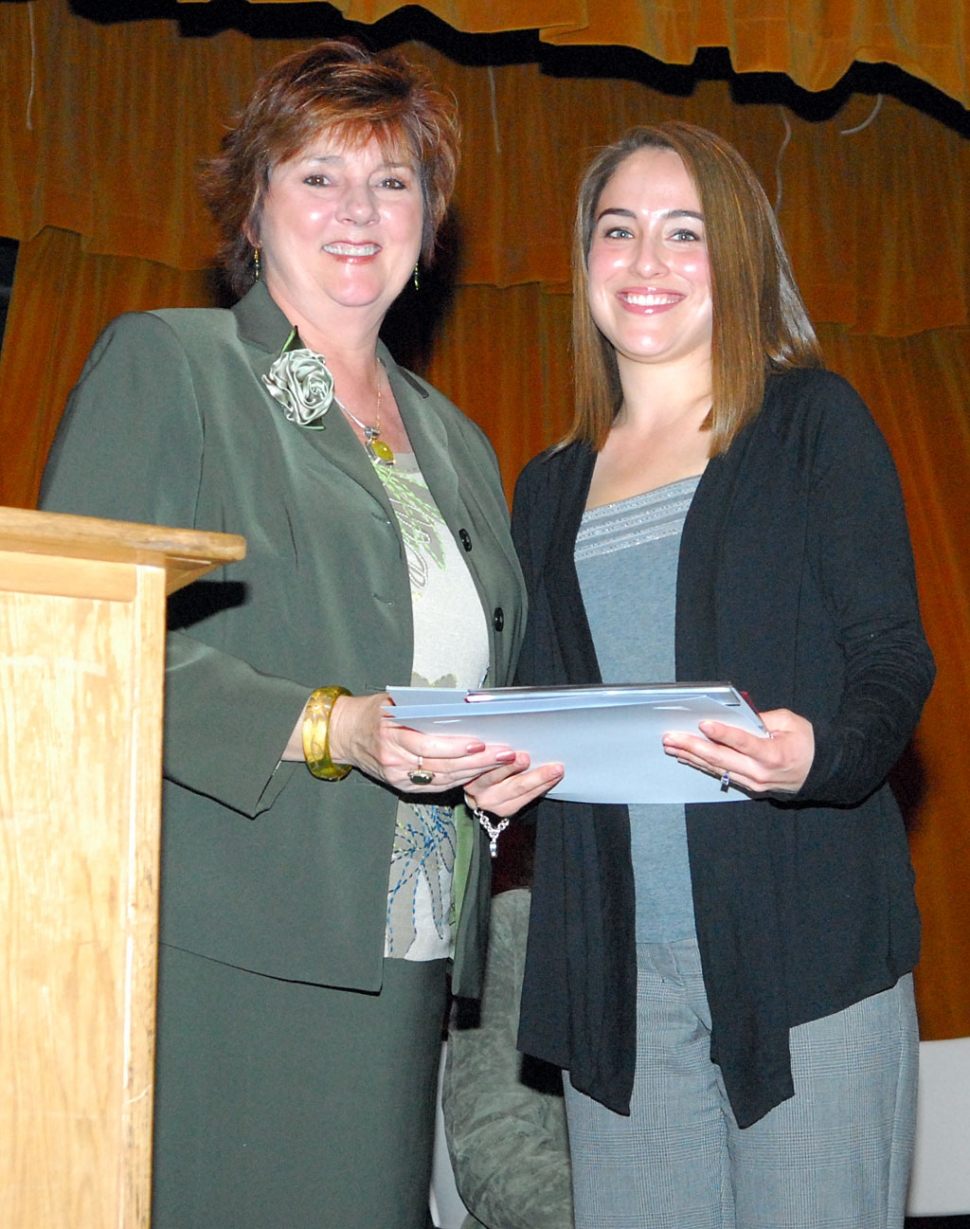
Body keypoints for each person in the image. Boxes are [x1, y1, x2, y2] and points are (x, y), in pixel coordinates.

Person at [40, 41, 526, 1229]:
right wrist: (329, 724)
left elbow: (461, 671)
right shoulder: (176, 366)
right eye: (319, 176)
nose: (359, 211)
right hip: (229, 941)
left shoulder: (455, 439)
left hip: (406, 938)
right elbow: (73, 645)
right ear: (254, 205)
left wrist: (509, 755)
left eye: (394, 181)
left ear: (430, 221)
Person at [465, 122, 935, 1228]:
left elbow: (890, 656)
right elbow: (549, 710)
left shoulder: (813, 422)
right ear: (584, 260)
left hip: (804, 958)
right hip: (613, 982)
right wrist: (499, 765)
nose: (646, 260)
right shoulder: (546, 485)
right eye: (618, 230)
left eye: (685, 233)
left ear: (737, 259)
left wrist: (817, 751)